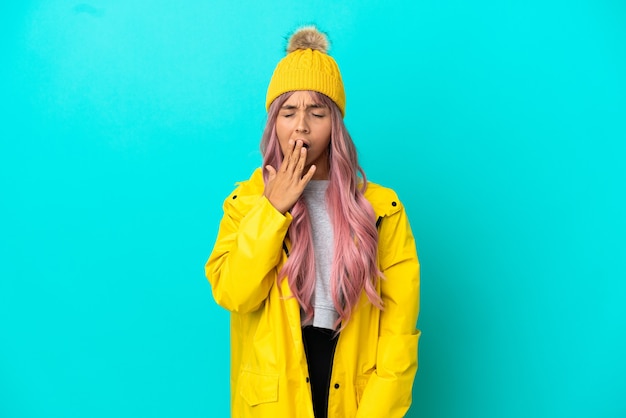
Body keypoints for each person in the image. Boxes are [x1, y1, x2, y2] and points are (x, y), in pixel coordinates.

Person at [205, 25, 420, 418]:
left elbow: (398, 328)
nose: (301, 126)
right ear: (274, 122)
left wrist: (377, 408)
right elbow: (235, 294)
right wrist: (273, 210)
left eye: (316, 112)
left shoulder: (382, 209)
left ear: (335, 124)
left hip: (354, 386)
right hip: (275, 395)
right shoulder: (246, 202)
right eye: (288, 112)